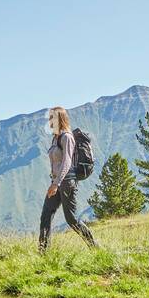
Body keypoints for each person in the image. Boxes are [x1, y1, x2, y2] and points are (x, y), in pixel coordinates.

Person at [39, 106, 97, 251]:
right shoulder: (55, 138)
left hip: (66, 183)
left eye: (52, 118)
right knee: (46, 215)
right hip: (56, 182)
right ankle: (43, 253)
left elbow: (67, 162)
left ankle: (94, 246)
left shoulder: (67, 137)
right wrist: (54, 182)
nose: (50, 121)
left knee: (71, 219)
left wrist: (56, 184)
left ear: (60, 119)